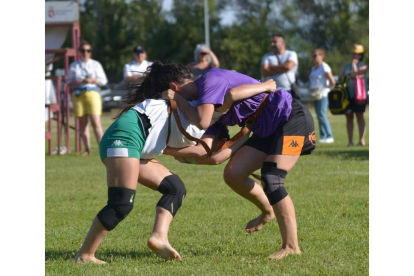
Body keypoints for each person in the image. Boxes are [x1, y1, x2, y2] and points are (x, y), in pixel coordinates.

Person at [74, 62, 276, 264]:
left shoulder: (202, 110)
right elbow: (231, 95)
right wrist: (265, 87)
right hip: (125, 139)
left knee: (175, 188)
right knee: (120, 204)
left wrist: (245, 134)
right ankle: (85, 255)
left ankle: (159, 237)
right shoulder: (205, 105)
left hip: (138, 147)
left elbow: (212, 157)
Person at [161, 66, 316, 260]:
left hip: (288, 116)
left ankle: (291, 246)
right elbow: (210, 154)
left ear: (174, 87)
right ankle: (268, 211)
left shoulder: (210, 80)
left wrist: (266, 86)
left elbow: (231, 95)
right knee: (233, 173)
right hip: (263, 128)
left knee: (272, 177)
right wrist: (162, 150)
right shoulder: (204, 105)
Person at [67, 41, 108, 156]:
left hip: (92, 92)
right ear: (79, 52)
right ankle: (87, 149)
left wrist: (94, 81)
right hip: (79, 93)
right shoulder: (74, 65)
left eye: (88, 50)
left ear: (90, 52)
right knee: (82, 123)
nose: (85, 53)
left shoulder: (96, 64)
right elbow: (68, 82)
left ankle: (102, 148)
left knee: (96, 122)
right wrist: (80, 81)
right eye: (83, 50)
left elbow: (104, 81)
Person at [339, 44, 368, 146]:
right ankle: (350, 141)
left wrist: (354, 66)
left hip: (359, 95)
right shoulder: (345, 65)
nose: (356, 56)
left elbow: (357, 75)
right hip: (347, 95)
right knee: (349, 117)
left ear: (361, 55)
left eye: (358, 54)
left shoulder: (363, 65)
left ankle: (361, 139)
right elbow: (341, 77)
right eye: (354, 53)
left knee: (360, 116)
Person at [309, 48, 336, 143]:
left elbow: (332, 81)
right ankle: (323, 136)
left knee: (322, 114)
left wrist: (328, 90)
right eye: (313, 55)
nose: (314, 57)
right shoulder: (313, 68)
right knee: (318, 115)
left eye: (316, 55)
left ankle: (329, 136)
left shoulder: (325, 67)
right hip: (315, 94)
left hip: (323, 94)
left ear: (322, 56)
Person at [261, 34, 299, 99]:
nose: (272, 44)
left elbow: (288, 67)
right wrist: (282, 68)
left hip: (288, 90)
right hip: (272, 90)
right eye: (271, 42)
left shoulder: (291, 54)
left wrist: (271, 67)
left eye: (274, 42)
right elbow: (264, 71)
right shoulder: (267, 56)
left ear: (282, 42)